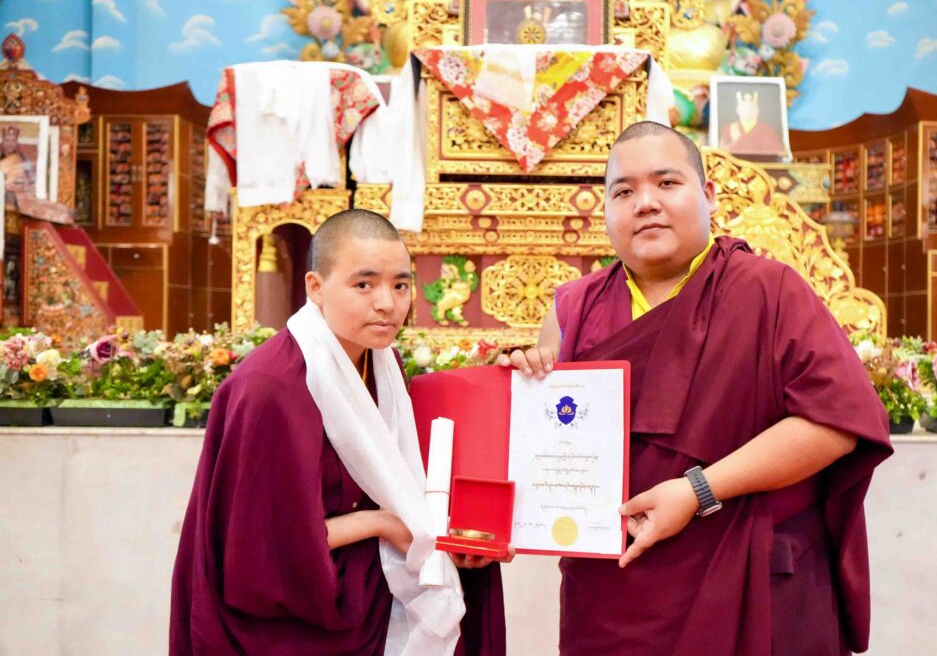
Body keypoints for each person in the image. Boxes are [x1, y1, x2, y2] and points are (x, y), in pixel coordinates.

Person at [500, 122, 892, 655]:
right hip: (612, 594)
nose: (645, 203)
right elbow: (550, 455)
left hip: (747, 579)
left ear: (707, 194)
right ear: (605, 210)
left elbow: (836, 422)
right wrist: (527, 383)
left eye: (667, 183)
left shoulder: (769, 290)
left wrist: (697, 491)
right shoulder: (573, 309)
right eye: (624, 191)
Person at [171, 209, 506, 655]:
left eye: (400, 285)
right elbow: (256, 547)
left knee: (469, 581)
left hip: (367, 576)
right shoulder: (270, 386)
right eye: (364, 285)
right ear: (315, 287)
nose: (387, 303)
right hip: (291, 607)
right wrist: (379, 523)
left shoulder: (381, 362)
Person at [719, 89, 785, 156]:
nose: (748, 110)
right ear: (738, 110)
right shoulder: (728, 129)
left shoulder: (768, 130)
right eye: (744, 107)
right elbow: (721, 153)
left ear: (757, 110)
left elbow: (778, 154)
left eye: (751, 107)